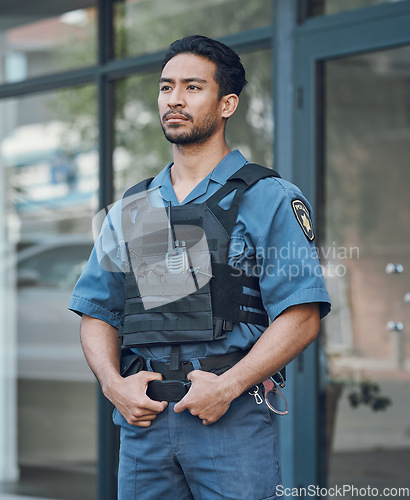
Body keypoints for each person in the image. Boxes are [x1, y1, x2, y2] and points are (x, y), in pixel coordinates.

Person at [69, 35, 331, 500]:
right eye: (167, 86)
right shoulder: (131, 208)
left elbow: (302, 316)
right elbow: (97, 313)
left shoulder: (268, 197)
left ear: (227, 103)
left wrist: (227, 387)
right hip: (144, 419)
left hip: (228, 416)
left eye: (193, 87)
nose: (174, 98)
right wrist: (114, 387)